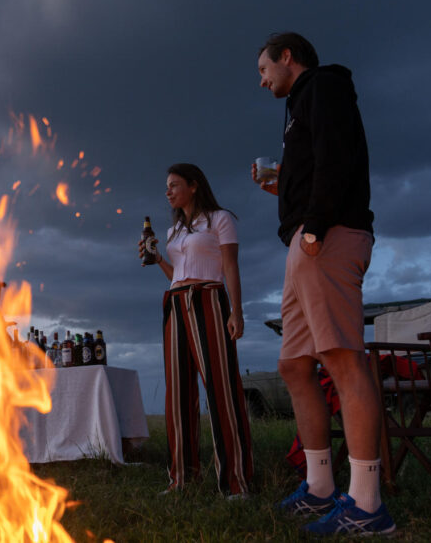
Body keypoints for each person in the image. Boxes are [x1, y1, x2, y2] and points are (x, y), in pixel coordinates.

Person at [253, 32, 393, 535]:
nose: (261, 78)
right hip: (304, 241)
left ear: (287, 56)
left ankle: (367, 504)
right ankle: (319, 489)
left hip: (327, 235)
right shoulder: (296, 107)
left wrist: (315, 224)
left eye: (263, 67)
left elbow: (337, 155)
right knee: (294, 365)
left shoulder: (324, 86)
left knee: (341, 360)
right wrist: (280, 182)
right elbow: (316, 161)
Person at [138, 163, 253, 499]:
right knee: (178, 391)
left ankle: (235, 481)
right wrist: (158, 258)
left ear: (194, 185)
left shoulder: (220, 219)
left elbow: (230, 265)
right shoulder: (175, 231)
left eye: (174, 185)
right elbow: (177, 274)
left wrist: (237, 311)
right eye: (167, 187)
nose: (168, 192)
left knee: (221, 388)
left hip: (208, 299)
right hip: (175, 302)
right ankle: (182, 479)